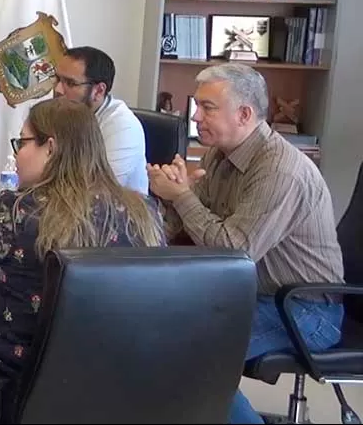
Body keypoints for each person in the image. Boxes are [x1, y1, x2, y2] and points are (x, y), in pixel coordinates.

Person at [0, 98, 164, 422]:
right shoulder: (143, 212)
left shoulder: (14, 210)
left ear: (51, 147)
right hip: (114, 387)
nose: (16, 154)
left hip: (11, 389)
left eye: (22, 142)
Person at [147, 64, 343, 425]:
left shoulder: (280, 170)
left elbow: (234, 251)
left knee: (186, 355)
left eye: (207, 108)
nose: (195, 116)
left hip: (305, 309)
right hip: (252, 295)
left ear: (244, 114)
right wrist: (169, 197)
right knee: (152, 325)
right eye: (197, 106)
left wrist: (182, 196)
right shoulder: (219, 154)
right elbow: (188, 228)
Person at [52, 46, 149, 194]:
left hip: (116, 213)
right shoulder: (60, 113)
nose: (58, 89)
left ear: (98, 91)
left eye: (70, 83)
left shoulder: (123, 127)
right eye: (57, 79)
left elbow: (99, 192)